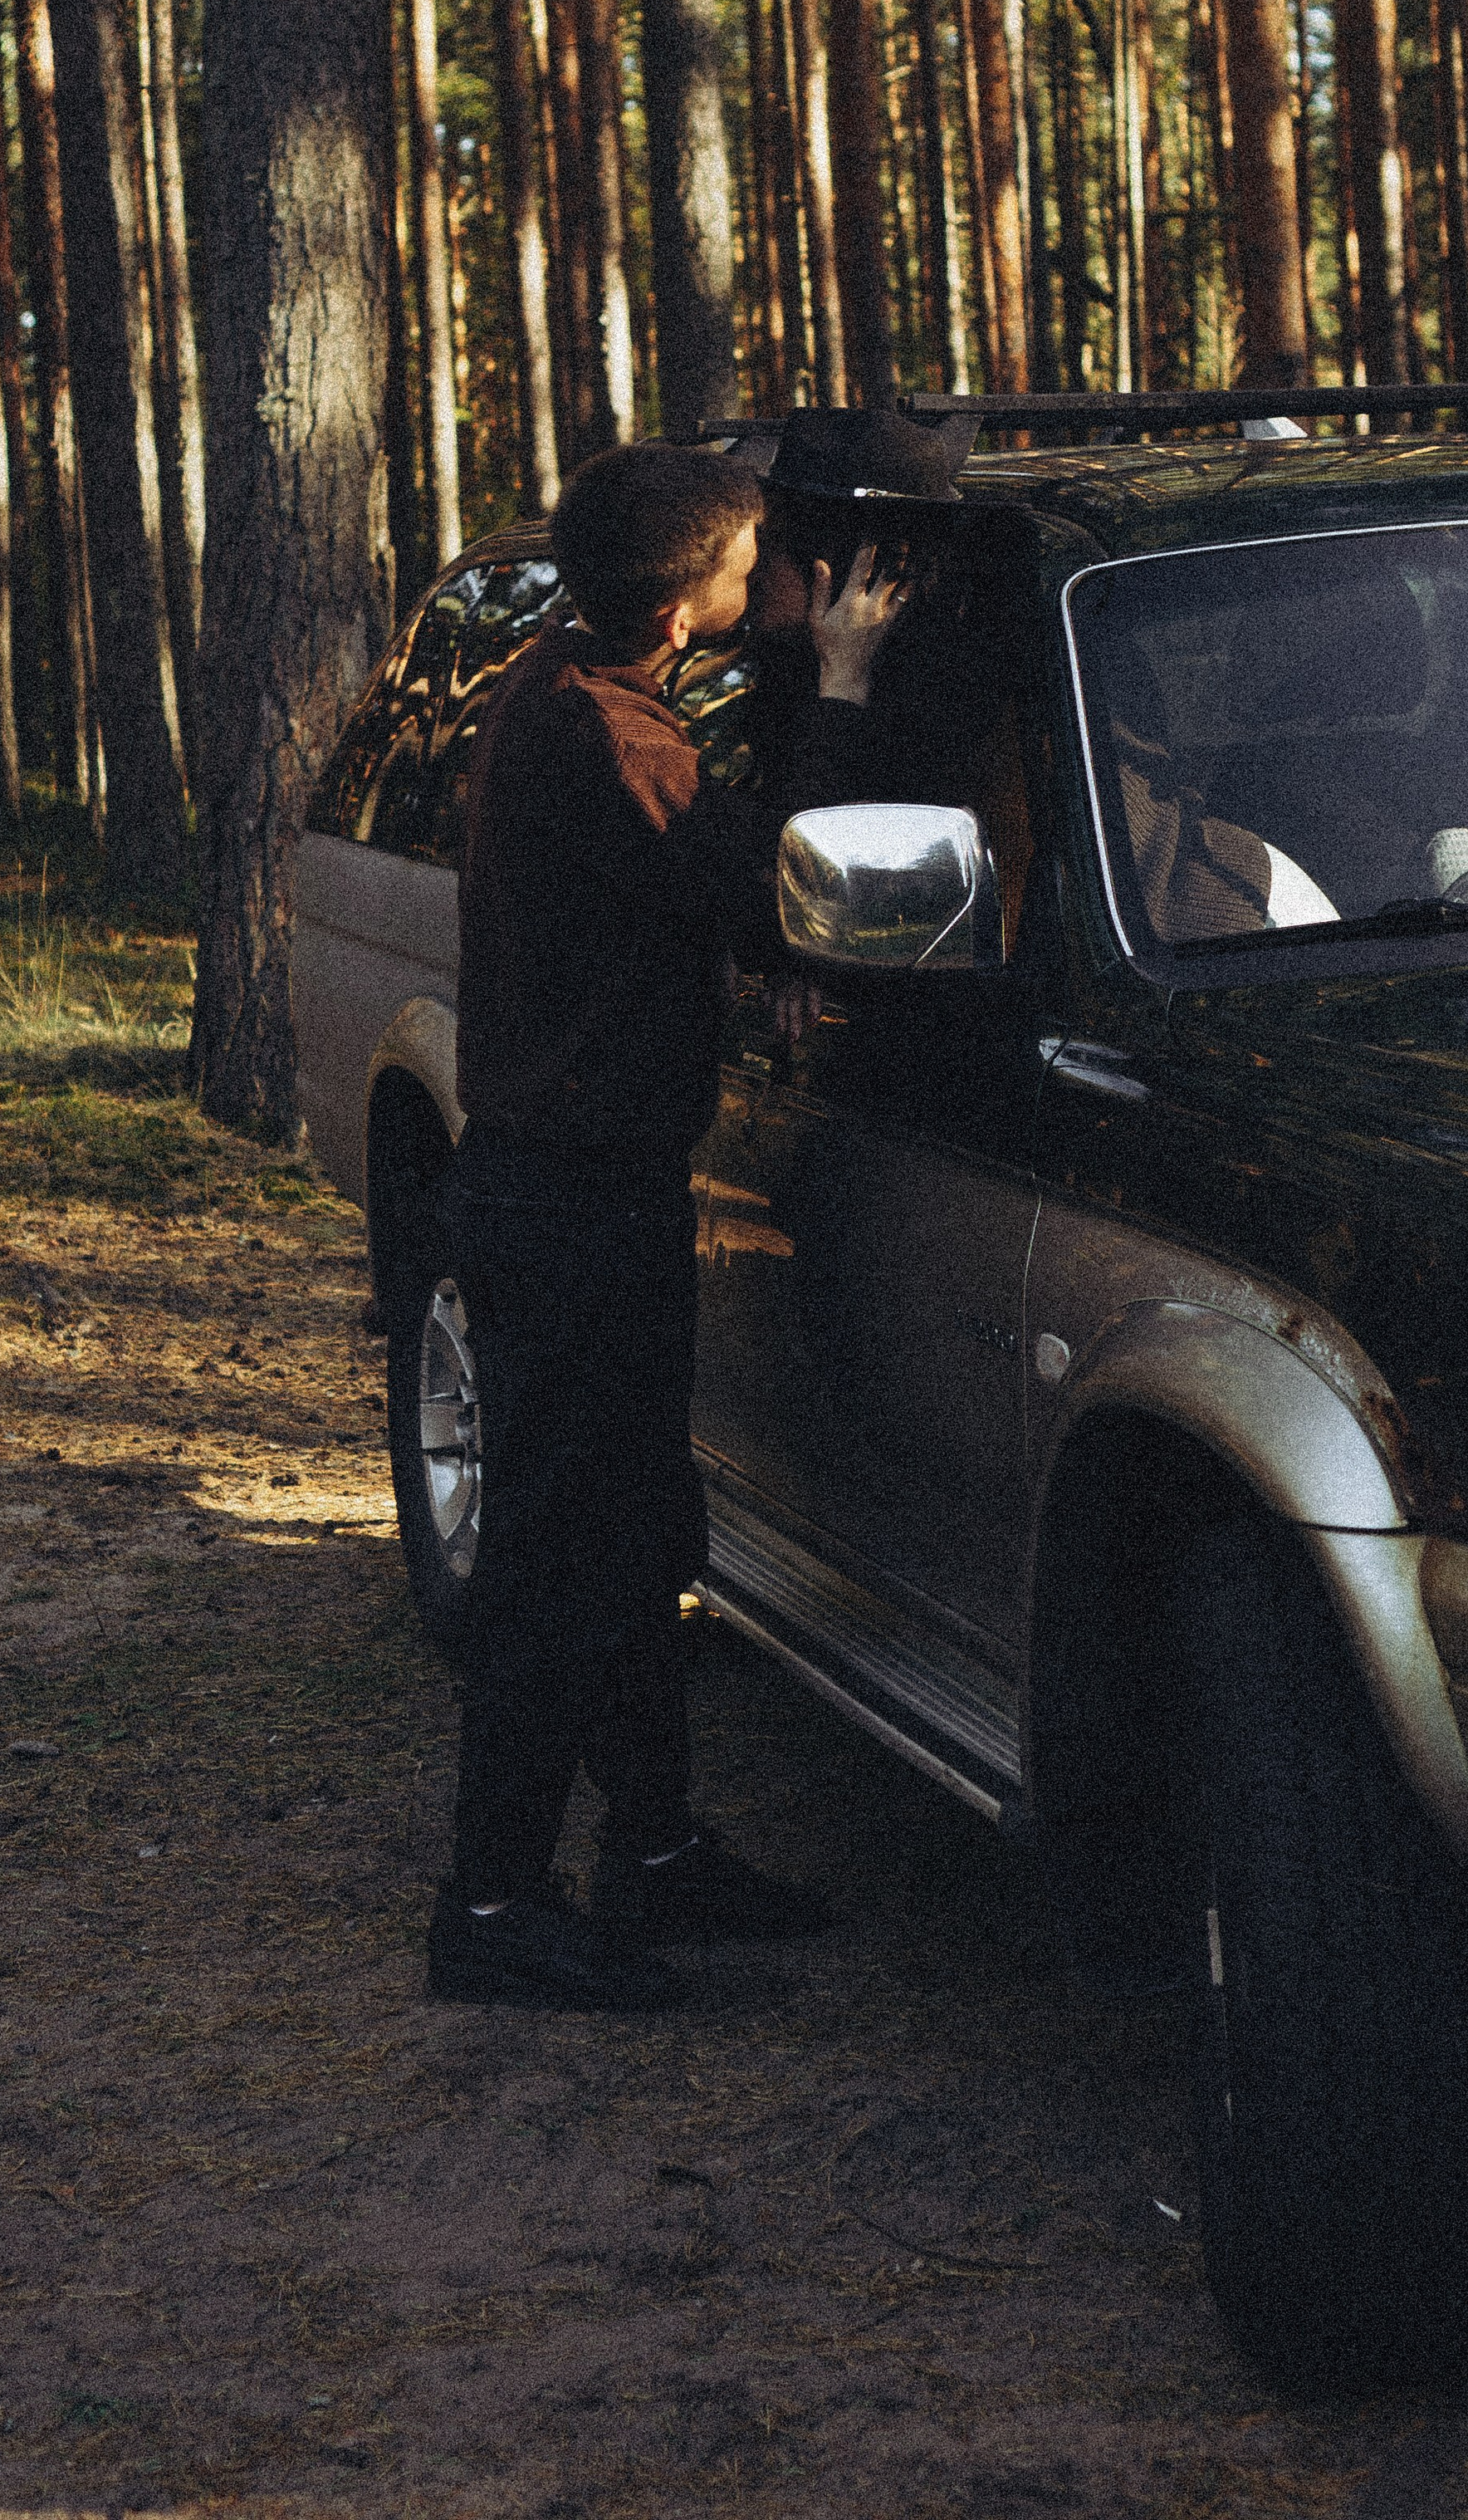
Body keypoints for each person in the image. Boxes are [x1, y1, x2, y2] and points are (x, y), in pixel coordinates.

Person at [427, 441, 909, 2009]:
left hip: (580, 1194)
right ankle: (492, 1910)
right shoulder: (608, 736)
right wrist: (838, 685)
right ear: (688, 590)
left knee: (637, 1537)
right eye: (754, 552)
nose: (771, 569)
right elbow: (776, 882)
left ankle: (649, 1847)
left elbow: (674, 877)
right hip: (563, 1205)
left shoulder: (582, 684)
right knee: (565, 1561)